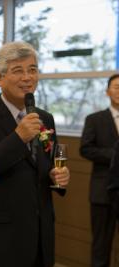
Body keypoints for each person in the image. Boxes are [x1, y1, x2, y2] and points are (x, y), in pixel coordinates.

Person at [0, 41, 70, 267]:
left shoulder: (45, 118)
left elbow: (45, 166)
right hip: (2, 235)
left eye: (32, 70)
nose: (27, 77)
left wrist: (57, 177)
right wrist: (18, 138)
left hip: (42, 231)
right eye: (18, 71)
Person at [80, 73, 119, 267]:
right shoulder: (94, 119)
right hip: (102, 192)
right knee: (101, 246)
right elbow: (85, 149)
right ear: (107, 92)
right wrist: (115, 155)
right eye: (116, 87)